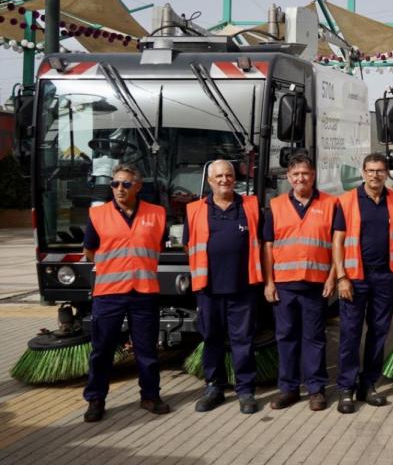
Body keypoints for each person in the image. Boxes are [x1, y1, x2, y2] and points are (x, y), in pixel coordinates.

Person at [82, 163, 169, 422]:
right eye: (115, 184)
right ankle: (96, 399)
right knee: (102, 350)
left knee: (147, 350)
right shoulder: (98, 215)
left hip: (144, 292)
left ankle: (150, 396)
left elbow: (158, 247)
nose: (119, 188)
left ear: (138, 186)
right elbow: (90, 252)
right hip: (109, 293)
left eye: (126, 184)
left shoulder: (157, 214)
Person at [262, 151, 341, 411]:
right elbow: (268, 247)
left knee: (315, 338)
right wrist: (269, 283)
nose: (300, 178)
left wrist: (332, 278)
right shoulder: (275, 206)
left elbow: (337, 246)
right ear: (288, 177)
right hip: (284, 286)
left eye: (305, 173)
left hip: (316, 285)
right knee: (286, 338)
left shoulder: (331, 204)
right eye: (295, 174)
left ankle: (316, 389)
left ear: (313, 175)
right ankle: (288, 389)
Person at [184, 159, 263, 415]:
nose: (224, 180)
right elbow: (189, 245)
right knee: (212, 340)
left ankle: (245, 390)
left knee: (243, 341)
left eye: (228, 175)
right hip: (209, 289)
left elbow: (262, 242)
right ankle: (213, 388)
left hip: (243, 288)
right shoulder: (194, 210)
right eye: (218, 176)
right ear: (209, 181)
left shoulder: (250, 206)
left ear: (235, 178)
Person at [335, 153, 393, 414]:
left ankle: (369, 384)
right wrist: (342, 276)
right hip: (355, 277)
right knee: (351, 334)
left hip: (385, 277)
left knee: (378, 333)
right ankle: (346, 387)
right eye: (370, 170)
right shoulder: (348, 200)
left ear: (386, 174)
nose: (375, 175)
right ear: (363, 172)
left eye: (380, 170)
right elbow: (338, 242)